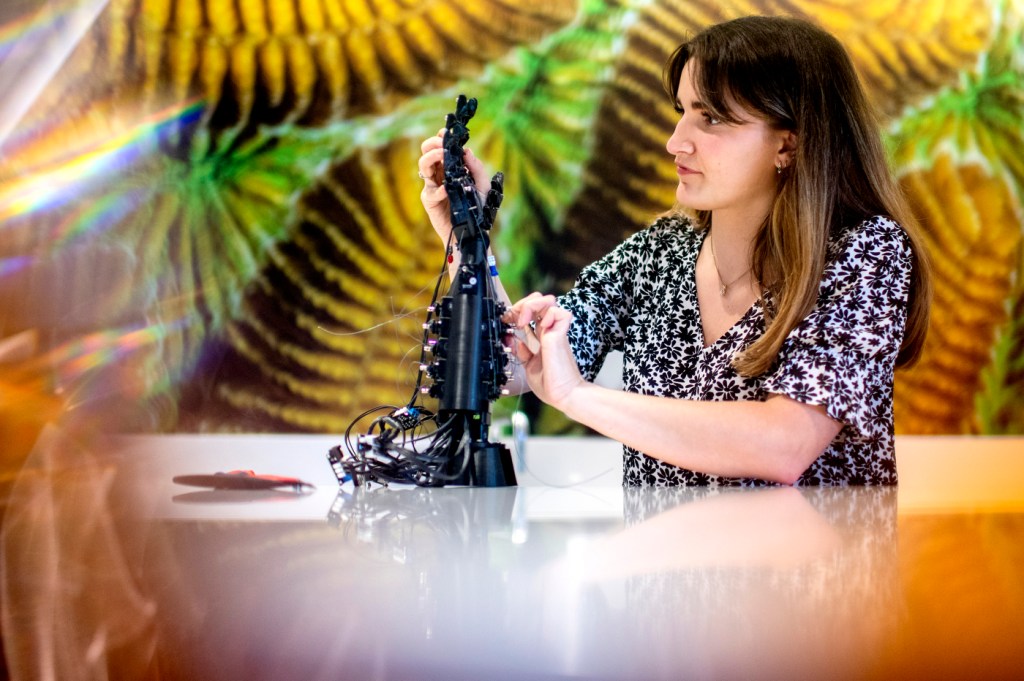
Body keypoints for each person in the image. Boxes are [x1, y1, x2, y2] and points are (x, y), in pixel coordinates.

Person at [417, 15, 931, 487]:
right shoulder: (660, 253)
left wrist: (580, 398)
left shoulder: (865, 252)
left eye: (711, 119)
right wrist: (469, 237)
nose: (675, 141)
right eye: (682, 112)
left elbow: (785, 444)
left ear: (788, 145)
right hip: (663, 579)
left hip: (807, 590)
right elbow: (512, 368)